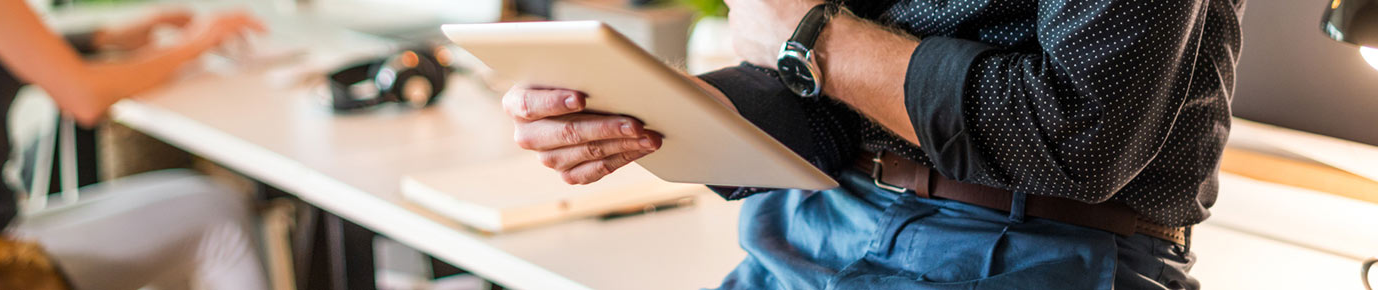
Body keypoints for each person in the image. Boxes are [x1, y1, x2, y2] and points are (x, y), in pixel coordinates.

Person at [502, 0, 1239, 288]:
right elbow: (821, 101)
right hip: (810, 227)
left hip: (1031, 249)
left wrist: (814, 37)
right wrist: (658, 109)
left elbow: (1077, 136)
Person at [0, 0, 271, 289]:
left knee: (196, 204)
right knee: (219, 214)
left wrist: (106, 37)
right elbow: (83, 99)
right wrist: (196, 44)